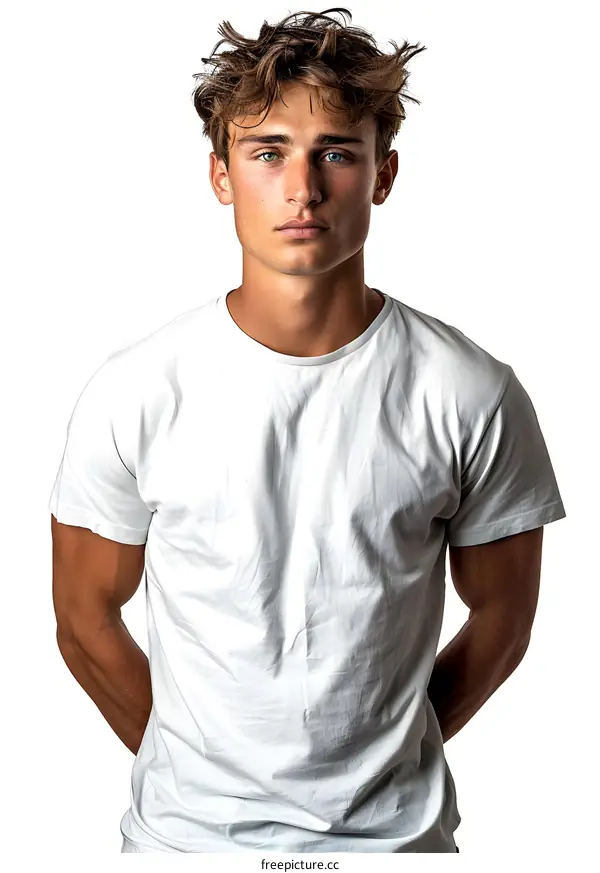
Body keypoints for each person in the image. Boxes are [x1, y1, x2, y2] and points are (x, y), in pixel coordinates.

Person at [49, 8, 566, 854]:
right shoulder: (136, 390)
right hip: (186, 847)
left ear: (382, 174)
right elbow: (82, 616)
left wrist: (379, 768)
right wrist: (201, 775)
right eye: (268, 152)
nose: (303, 187)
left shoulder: (471, 390)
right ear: (221, 175)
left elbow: (505, 619)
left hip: (395, 846)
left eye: (336, 152)